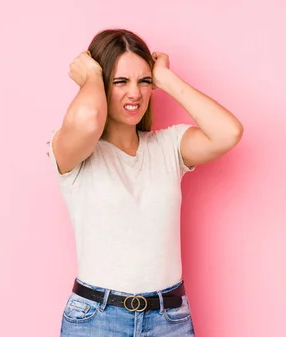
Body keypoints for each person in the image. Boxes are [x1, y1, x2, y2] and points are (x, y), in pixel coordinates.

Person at [47, 28, 243, 336]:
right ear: (101, 84)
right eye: (120, 81)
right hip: (97, 321)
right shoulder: (74, 151)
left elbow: (228, 132)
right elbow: (87, 119)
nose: (135, 93)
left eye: (143, 81)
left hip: (169, 320)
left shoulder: (168, 147)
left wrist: (164, 78)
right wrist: (91, 77)